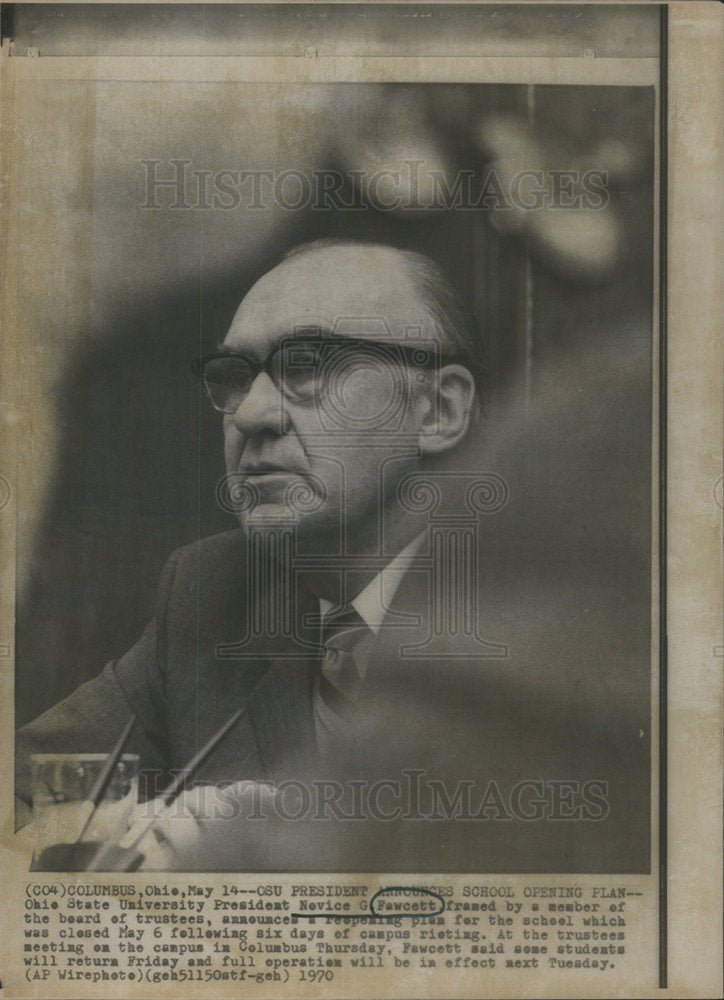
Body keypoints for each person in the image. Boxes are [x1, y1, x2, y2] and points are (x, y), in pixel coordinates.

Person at [16, 239, 648, 872]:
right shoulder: (212, 593)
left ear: (439, 410)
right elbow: (26, 788)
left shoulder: (558, 612)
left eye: (309, 367)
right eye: (234, 379)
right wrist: (128, 833)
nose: (254, 414)